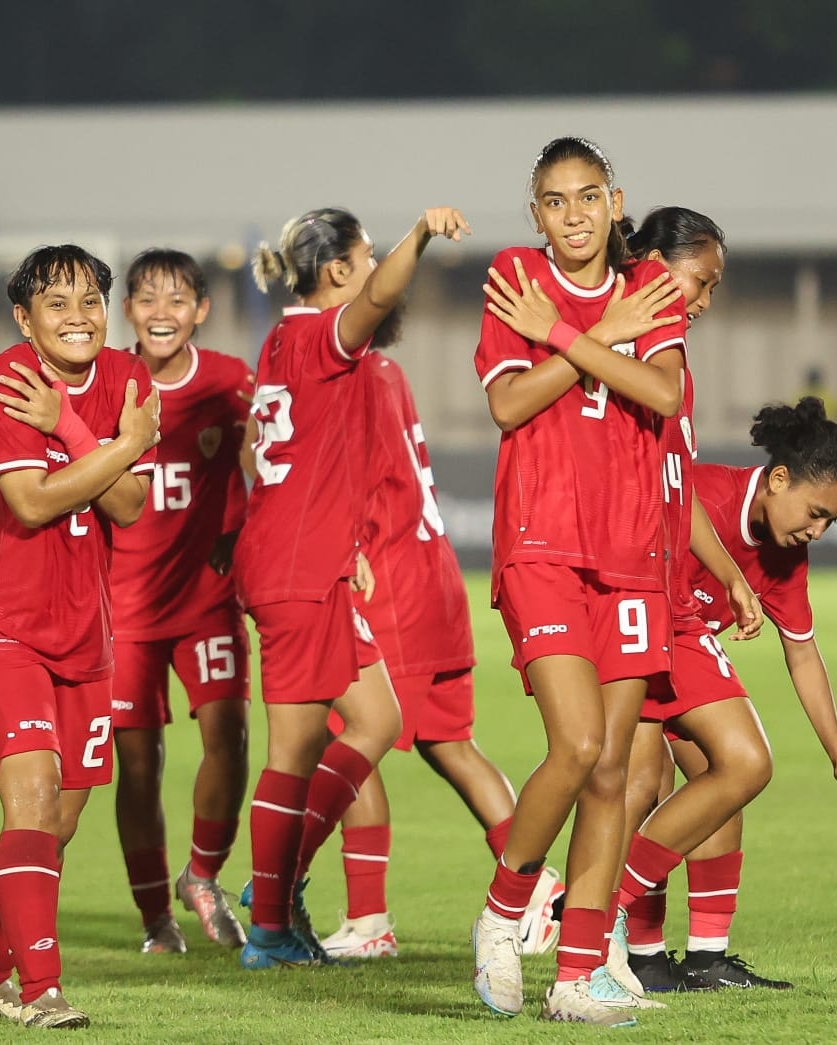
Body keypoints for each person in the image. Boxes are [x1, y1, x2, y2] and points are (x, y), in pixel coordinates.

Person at [469, 136, 755, 1026]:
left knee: (617, 778)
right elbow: (509, 404)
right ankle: (504, 908)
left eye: (588, 197)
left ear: (616, 201)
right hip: (543, 543)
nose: (574, 215)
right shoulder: (515, 272)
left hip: (632, 557)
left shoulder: (649, 288)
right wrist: (598, 337)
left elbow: (664, 395)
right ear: (536, 215)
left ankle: (578, 972)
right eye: (555, 202)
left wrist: (564, 334)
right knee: (578, 747)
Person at [234, 205, 470, 970]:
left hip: (307, 562)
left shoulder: (279, 342)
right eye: (366, 257)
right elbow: (373, 301)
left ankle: (277, 883)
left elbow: (251, 453)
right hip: (298, 572)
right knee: (294, 751)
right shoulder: (320, 336)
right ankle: (269, 919)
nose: (375, 272)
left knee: (373, 720)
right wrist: (422, 236)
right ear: (337, 270)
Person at [0, 245, 160, 1028]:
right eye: (57, 304)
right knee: (31, 798)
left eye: (90, 300)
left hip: (82, 629)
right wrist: (119, 446)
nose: (78, 317)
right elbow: (32, 503)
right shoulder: (7, 377)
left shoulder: (127, 380)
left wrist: (78, 429)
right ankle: (43, 991)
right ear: (24, 320)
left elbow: (130, 505)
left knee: (60, 821)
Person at [623, 397, 837, 993]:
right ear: (778, 479)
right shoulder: (700, 495)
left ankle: (705, 957)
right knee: (652, 784)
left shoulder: (788, 556)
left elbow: (804, 653)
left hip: (680, 652)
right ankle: (628, 941)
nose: (817, 530)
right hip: (636, 642)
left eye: (830, 523)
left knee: (720, 779)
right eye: (815, 513)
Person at [319, 345, 521, 961]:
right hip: (432, 579)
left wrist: (343, 542)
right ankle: (538, 893)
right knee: (451, 745)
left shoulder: (350, 373)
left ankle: (367, 920)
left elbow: (357, 470)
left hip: (388, 580)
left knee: (354, 740)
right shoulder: (386, 369)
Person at [108, 249, 254, 955]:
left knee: (229, 737)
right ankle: (154, 921)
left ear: (201, 309)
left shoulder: (230, 381)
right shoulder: (104, 381)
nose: (161, 311)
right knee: (139, 767)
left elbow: (269, 455)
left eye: (177, 299)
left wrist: (240, 528)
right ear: (127, 309)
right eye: (146, 298)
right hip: (122, 609)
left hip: (204, 596)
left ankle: (202, 874)